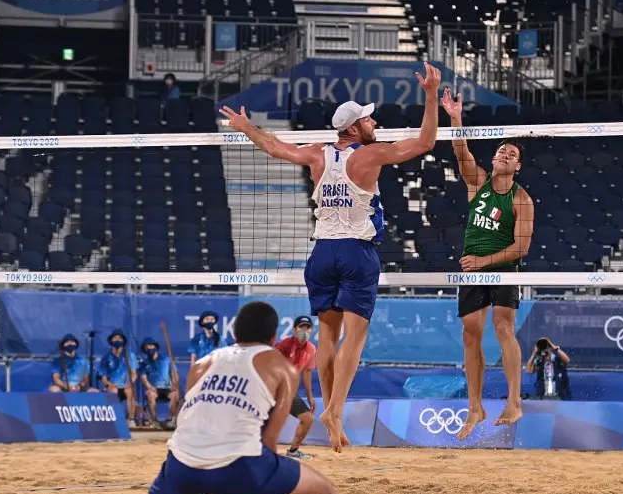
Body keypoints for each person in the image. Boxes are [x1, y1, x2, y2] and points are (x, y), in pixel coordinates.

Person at [219, 62, 442, 451]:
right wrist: (429, 94)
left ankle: (331, 413)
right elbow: (424, 143)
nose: (376, 124)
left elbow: (274, 147)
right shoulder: (369, 157)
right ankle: (335, 410)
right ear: (354, 128)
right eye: (370, 120)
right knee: (354, 341)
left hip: (321, 252)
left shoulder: (317, 155)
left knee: (327, 339)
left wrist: (247, 127)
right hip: (356, 251)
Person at [76, 301, 337, 494]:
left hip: (182, 461)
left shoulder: (202, 364)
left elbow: (198, 417)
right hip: (238, 465)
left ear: (234, 333)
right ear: (274, 338)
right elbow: (267, 439)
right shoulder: (281, 366)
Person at [441, 89, 534, 440]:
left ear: (517, 165)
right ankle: (475, 406)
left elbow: (520, 247)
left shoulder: (521, 199)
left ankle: (514, 401)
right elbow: (460, 150)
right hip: (472, 268)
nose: (504, 153)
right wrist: (454, 117)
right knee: (469, 334)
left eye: (511, 153)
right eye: (500, 150)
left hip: (501, 266)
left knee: (503, 327)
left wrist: (484, 261)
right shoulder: (478, 182)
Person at [275, 315, 317, 460]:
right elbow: (271, 364)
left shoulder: (311, 349)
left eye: (307, 327)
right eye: (301, 327)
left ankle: (293, 451)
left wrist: (310, 397)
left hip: (289, 391)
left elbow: (306, 372)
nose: (304, 330)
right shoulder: (284, 345)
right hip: (273, 388)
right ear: (294, 329)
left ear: (311, 330)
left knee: (308, 419)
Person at [97, 329, 139, 425]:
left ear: (123, 341)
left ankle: (131, 419)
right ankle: (114, 420)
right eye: (115, 338)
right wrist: (110, 384)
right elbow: (103, 378)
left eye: (119, 338)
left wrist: (130, 383)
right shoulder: (106, 358)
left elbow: (134, 374)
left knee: (130, 391)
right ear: (111, 341)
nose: (117, 340)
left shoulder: (130, 356)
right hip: (113, 385)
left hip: (126, 385)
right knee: (112, 391)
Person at [138, 337, 181, 429]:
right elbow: (143, 378)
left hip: (167, 388)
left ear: (156, 347)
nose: (149, 348)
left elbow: (174, 374)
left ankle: (171, 420)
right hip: (154, 389)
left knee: (175, 395)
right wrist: (149, 386)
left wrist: (174, 385)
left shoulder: (166, 360)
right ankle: (154, 420)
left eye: (151, 346)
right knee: (150, 394)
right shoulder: (144, 364)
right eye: (146, 347)